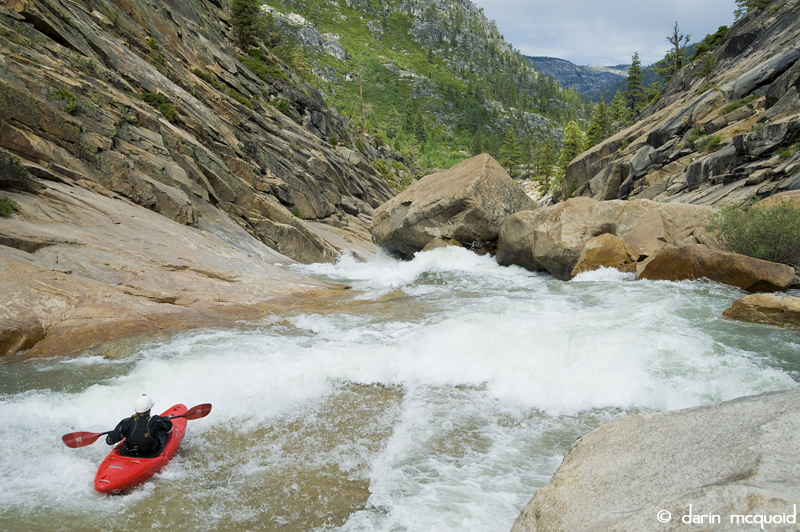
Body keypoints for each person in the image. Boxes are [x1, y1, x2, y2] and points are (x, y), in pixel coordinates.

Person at [106, 394, 173, 458]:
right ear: (149, 409)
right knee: (163, 432)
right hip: (151, 454)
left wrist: (117, 432)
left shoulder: (126, 422)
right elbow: (170, 428)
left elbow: (109, 441)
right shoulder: (156, 421)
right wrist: (166, 420)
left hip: (128, 454)